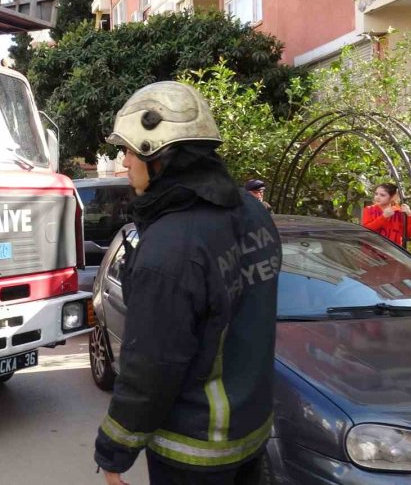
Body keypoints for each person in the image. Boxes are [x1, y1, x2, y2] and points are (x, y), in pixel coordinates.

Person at [94, 81, 281, 485]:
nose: (124, 162)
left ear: (158, 154)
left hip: (194, 451)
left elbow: (151, 366)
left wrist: (114, 450)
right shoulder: (254, 214)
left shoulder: (171, 245)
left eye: (129, 150)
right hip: (251, 435)